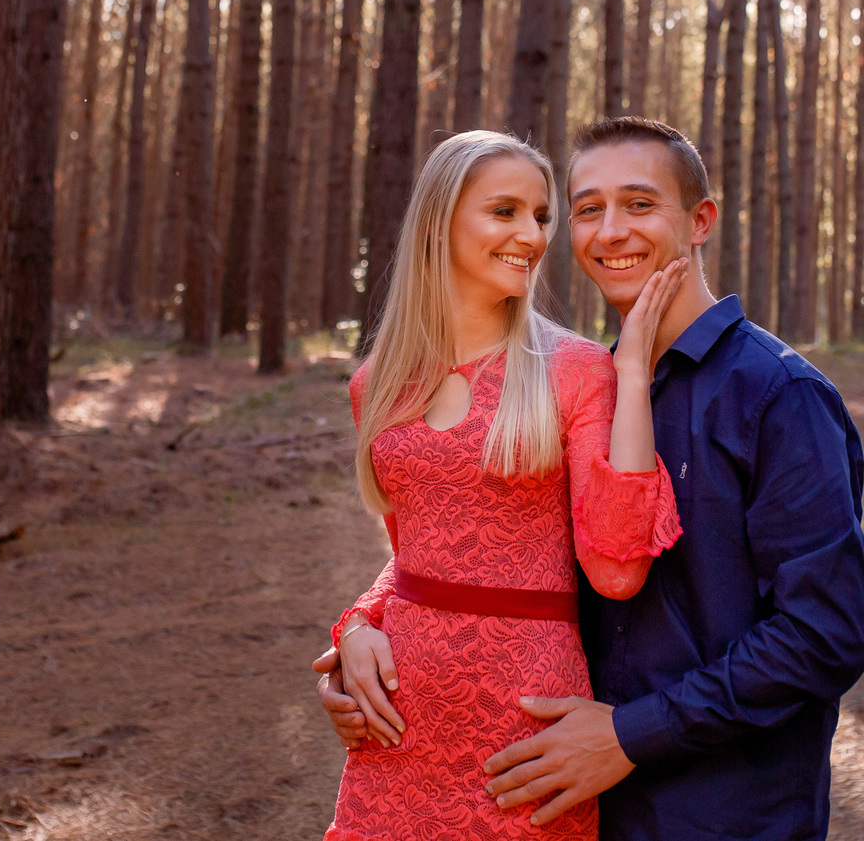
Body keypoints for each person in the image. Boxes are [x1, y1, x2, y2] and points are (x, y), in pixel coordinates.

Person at [317, 117, 864, 841]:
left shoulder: (777, 394)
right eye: (584, 209)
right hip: (568, 781)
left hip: (723, 811)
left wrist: (630, 734)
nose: (610, 231)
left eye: (639, 204)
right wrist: (363, 623)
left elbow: (824, 634)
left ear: (700, 221)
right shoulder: (583, 381)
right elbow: (473, 542)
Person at [321, 128, 683, 841]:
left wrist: (631, 373)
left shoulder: (575, 369)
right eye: (505, 211)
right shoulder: (376, 385)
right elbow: (414, 554)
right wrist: (358, 625)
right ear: (439, 221)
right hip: (396, 723)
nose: (533, 236)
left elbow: (617, 570)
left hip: (525, 725)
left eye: (541, 216)